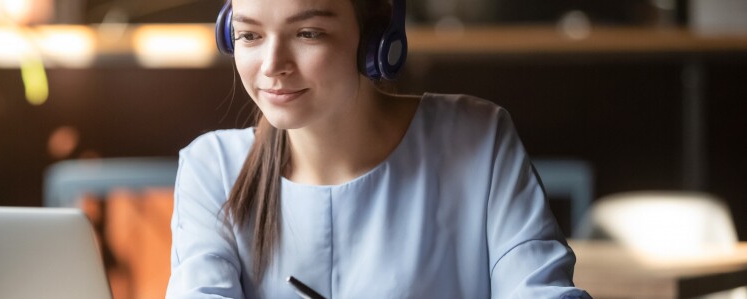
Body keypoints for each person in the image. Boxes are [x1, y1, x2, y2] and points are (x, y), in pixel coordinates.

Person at [166, 0, 591, 297]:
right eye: (250, 34)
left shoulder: (478, 139)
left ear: (375, 40)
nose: (273, 64)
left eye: (308, 32)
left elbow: (541, 289)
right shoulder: (212, 169)